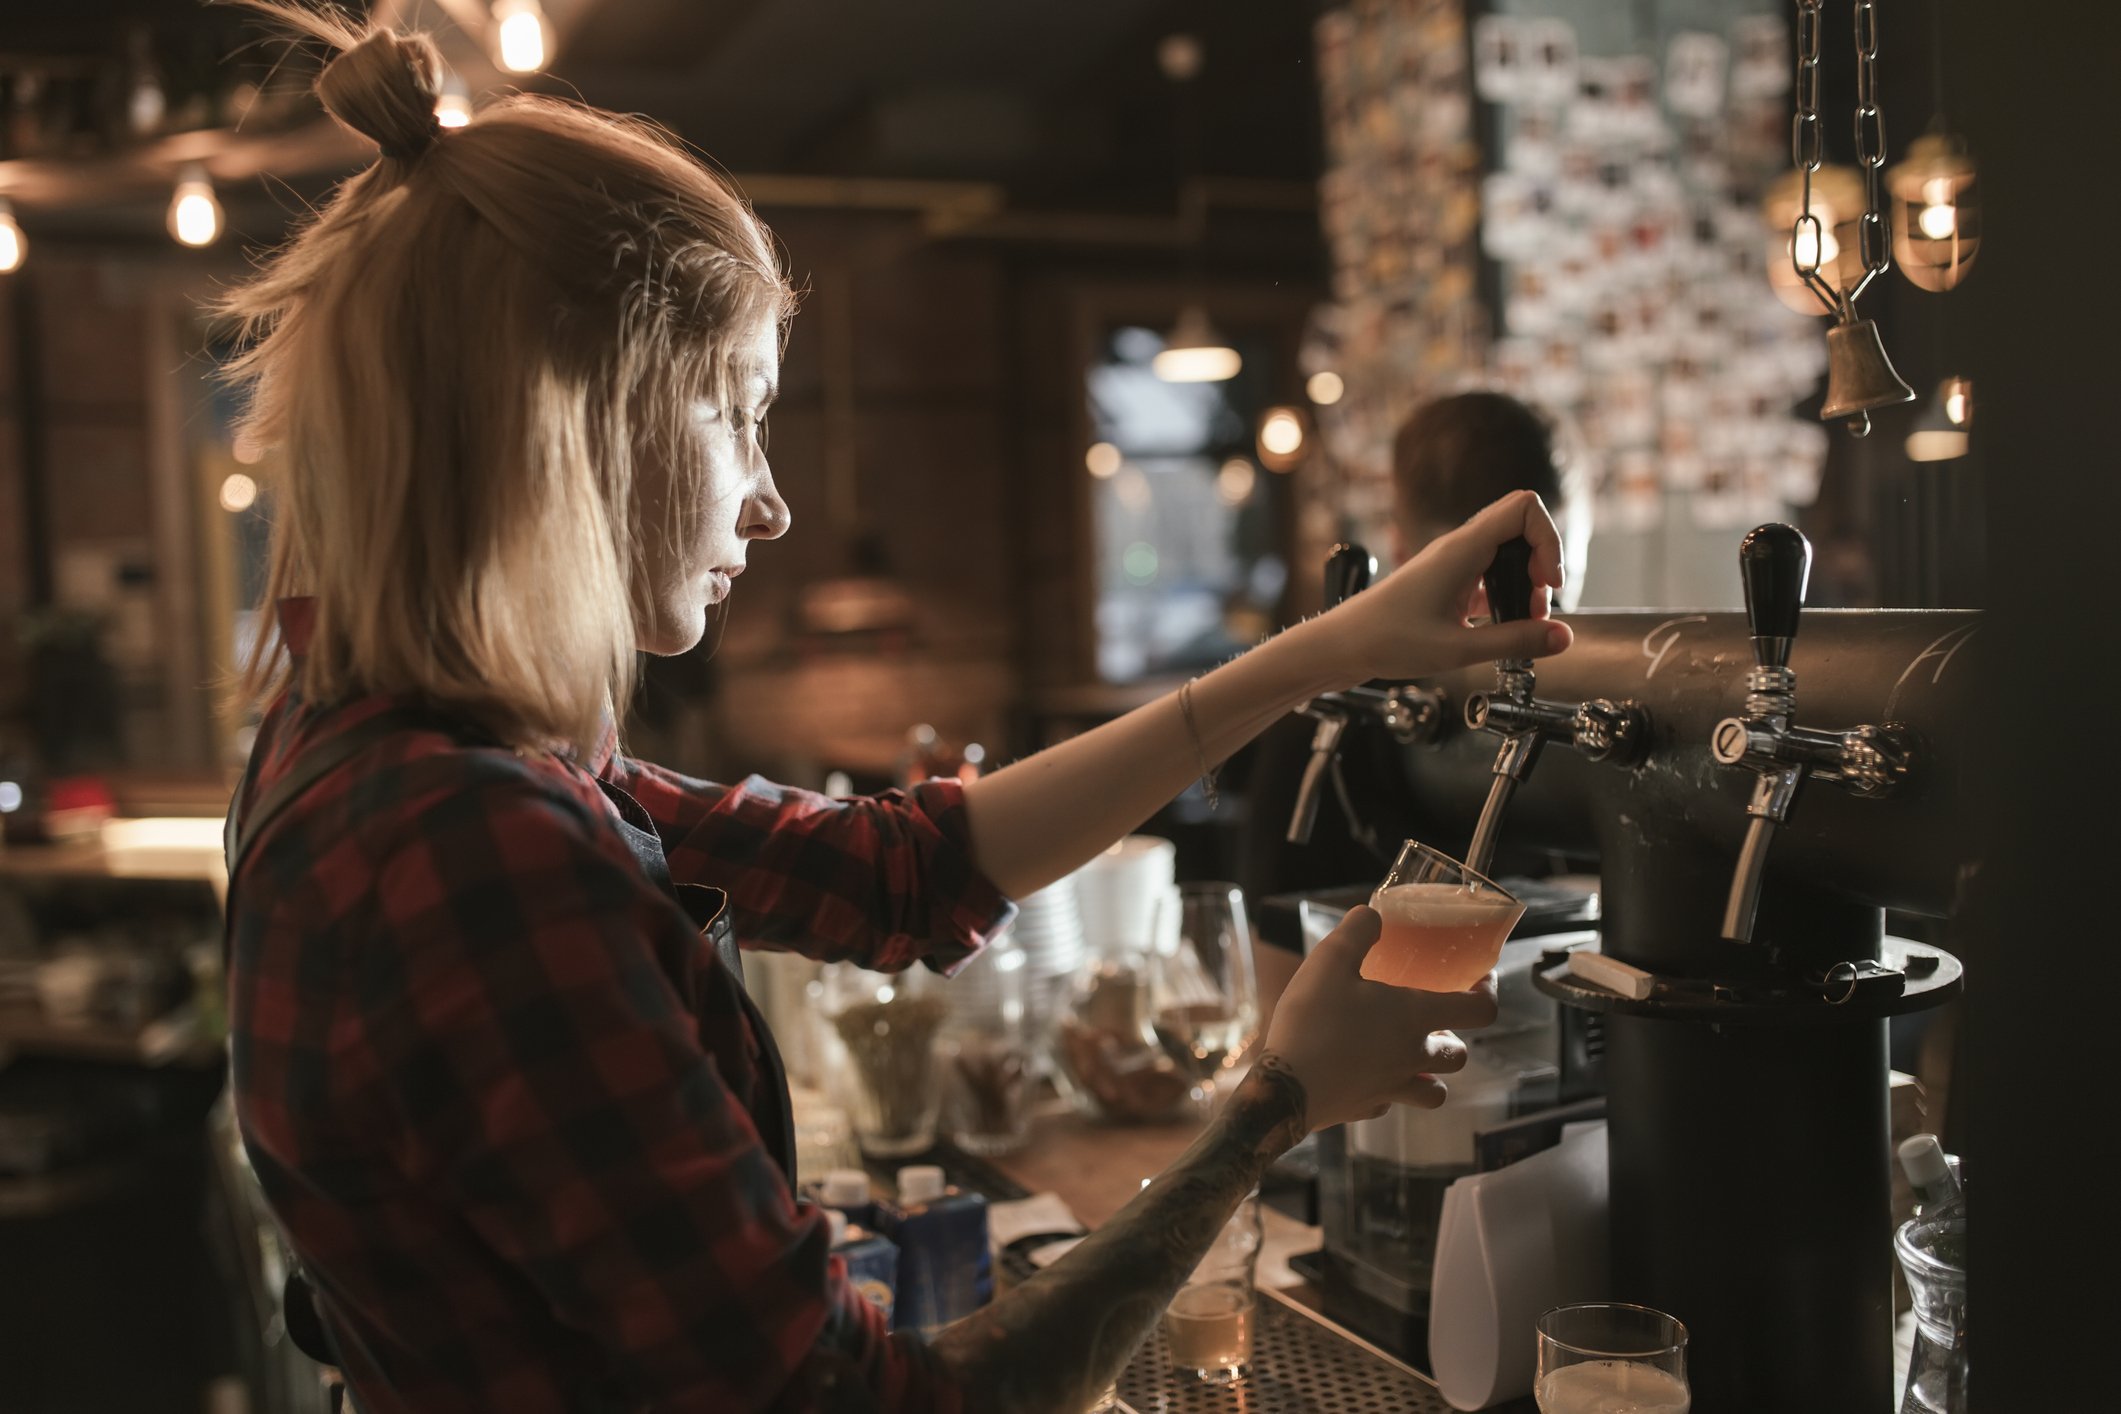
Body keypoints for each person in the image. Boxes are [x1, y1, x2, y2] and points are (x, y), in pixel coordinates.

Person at [218, 8, 1573, 1413]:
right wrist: (1275, 1102)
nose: (769, 495)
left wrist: (1323, 649)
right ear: (581, 415)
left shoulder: (388, 749)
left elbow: (905, 868)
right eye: (734, 413)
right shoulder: (473, 845)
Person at [1237, 391, 1591, 911]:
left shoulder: (1313, 713)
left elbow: (1270, 955)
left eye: (1552, 593)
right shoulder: (1333, 718)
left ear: (1401, 548)